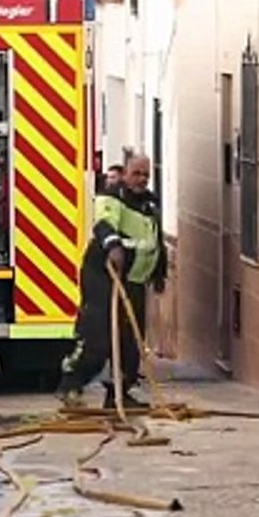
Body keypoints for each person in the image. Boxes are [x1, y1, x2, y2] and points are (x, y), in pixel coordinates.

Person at [57, 154, 167, 410]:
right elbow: (104, 224)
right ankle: (71, 384)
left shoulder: (149, 204)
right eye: (136, 174)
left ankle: (120, 393)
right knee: (98, 335)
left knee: (131, 340)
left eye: (146, 175)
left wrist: (159, 273)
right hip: (104, 276)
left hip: (134, 280)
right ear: (125, 173)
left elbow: (154, 240)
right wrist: (113, 245)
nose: (141, 179)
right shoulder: (112, 197)